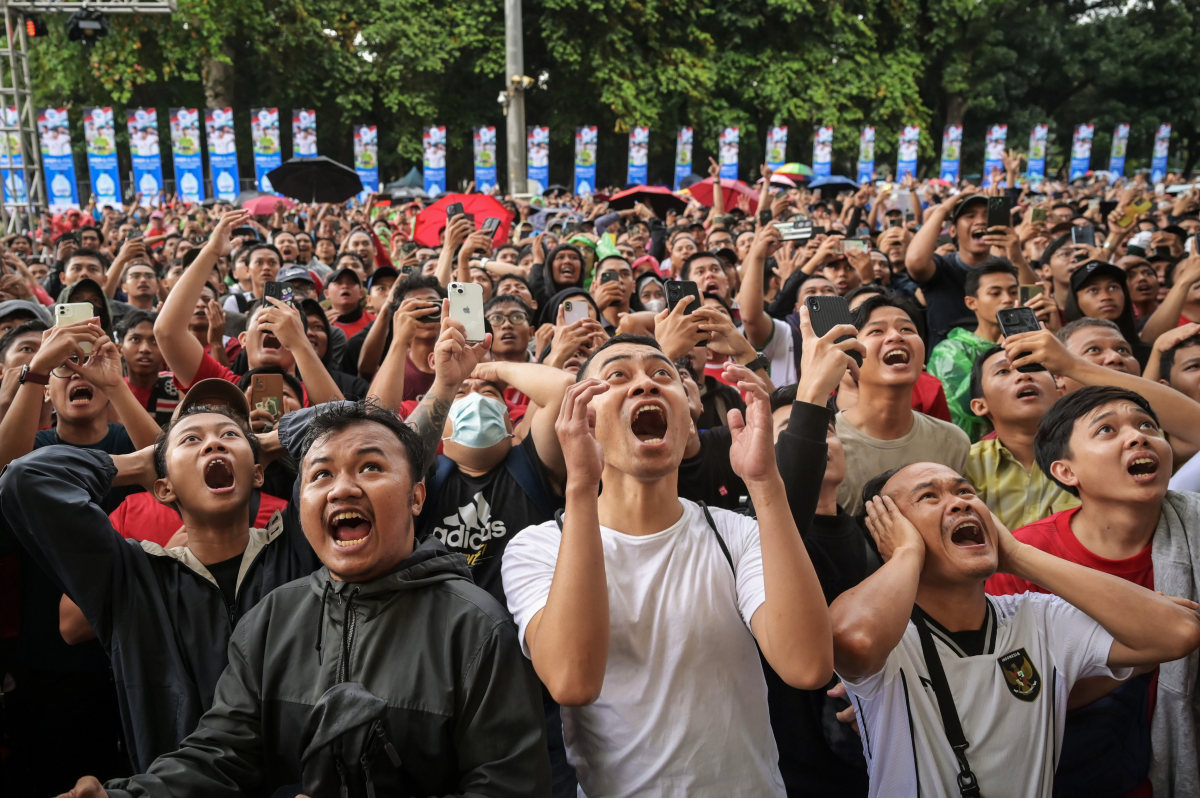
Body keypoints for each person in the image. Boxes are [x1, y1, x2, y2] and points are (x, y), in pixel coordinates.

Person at [53, 401, 552, 798]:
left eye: (371, 467)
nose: (342, 489)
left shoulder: (476, 628)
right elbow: (221, 755)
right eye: (320, 475)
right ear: (300, 500)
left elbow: (510, 786)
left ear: (417, 498)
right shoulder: (272, 617)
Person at [503, 328, 845, 796]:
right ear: (583, 420)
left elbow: (807, 665)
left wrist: (766, 484)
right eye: (617, 376)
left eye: (663, 374)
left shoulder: (736, 534)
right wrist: (580, 486)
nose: (646, 384)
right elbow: (572, 680)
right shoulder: (538, 548)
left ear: (687, 423)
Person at [832, 461, 1200, 798]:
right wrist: (906, 553)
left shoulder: (1039, 617)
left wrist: (1019, 555)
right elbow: (854, 640)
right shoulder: (889, 633)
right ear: (888, 533)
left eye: (965, 492)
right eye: (929, 497)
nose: (961, 503)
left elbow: (1178, 633)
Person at [987, 386, 1200, 797]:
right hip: (1074, 772)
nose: (1138, 437)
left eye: (1147, 426)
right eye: (1107, 430)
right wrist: (1141, 651)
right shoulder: (1028, 558)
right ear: (1066, 471)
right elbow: (1009, 695)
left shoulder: (1192, 529)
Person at [836, 295, 970, 516]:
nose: (896, 336)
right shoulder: (828, 444)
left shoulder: (954, 442)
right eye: (877, 331)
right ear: (850, 356)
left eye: (907, 329)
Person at [965, 345, 1078, 530]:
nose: (1023, 375)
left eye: (1033, 367)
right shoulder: (965, 465)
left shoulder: (1092, 454)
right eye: (1003, 371)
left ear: (1060, 394)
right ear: (980, 406)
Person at [927, 259, 1019, 441]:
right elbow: (967, 404)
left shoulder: (1034, 343)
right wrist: (1000, 352)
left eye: (1013, 292)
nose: (1008, 299)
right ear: (971, 302)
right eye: (995, 293)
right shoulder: (950, 351)